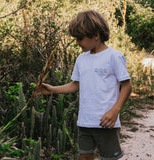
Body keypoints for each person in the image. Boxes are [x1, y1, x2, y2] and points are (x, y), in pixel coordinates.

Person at [37, 10, 132, 160]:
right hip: (85, 122)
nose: (77, 42)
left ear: (96, 35)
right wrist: (53, 90)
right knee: (85, 157)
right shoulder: (81, 59)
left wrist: (115, 110)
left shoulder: (114, 57)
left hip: (107, 123)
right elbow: (76, 85)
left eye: (80, 38)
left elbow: (127, 86)